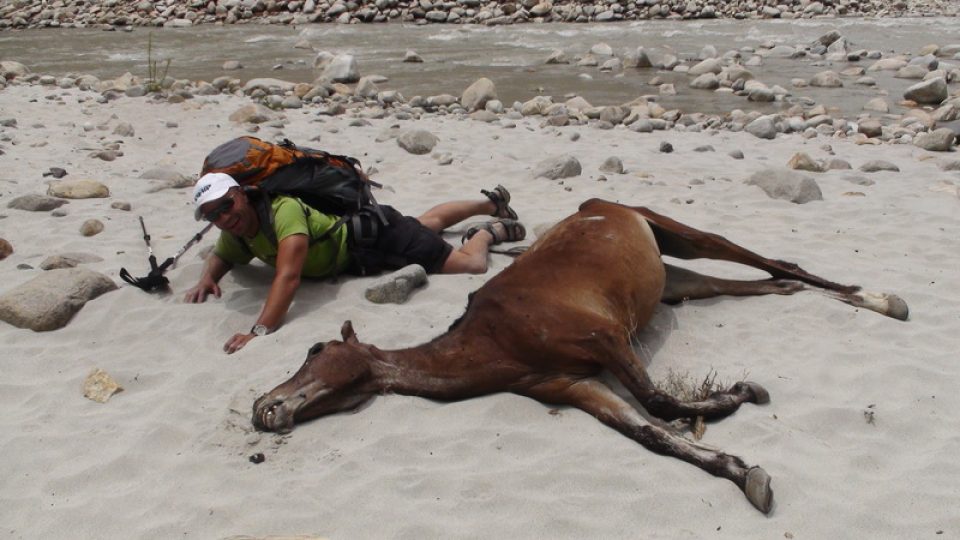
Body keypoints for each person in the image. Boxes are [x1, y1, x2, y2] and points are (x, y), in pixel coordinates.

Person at [184, 172, 525, 354]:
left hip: (376, 238)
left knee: (470, 266)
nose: (224, 218)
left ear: (241, 193)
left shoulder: (282, 211)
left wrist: (257, 332)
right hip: (362, 245)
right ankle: (491, 203)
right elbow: (223, 256)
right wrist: (205, 278)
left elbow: (288, 278)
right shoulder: (240, 228)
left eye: (226, 205)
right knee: (425, 225)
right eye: (212, 215)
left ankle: (489, 231)